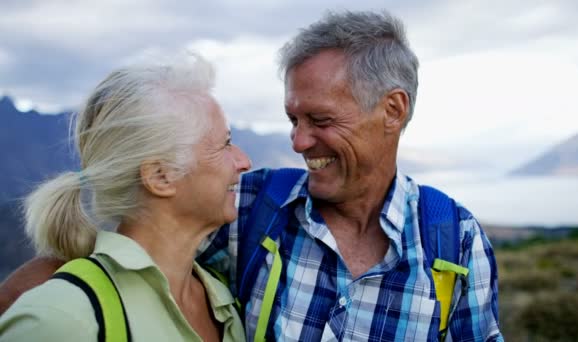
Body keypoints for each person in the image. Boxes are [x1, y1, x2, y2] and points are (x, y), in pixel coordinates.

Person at [1, 10, 502, 342]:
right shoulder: (251, 208)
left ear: (392, 110)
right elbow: (134, 249)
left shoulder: (454, 244)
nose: (298, 142)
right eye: (293, 119)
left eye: (321, 121)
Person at [0, 53, 249, 341]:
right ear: (160, 176)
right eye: (225, 144)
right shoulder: (60, 320)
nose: (244, 161)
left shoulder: (223, 300)